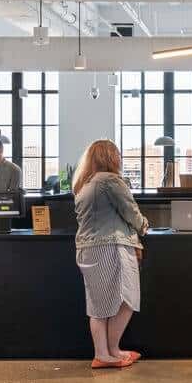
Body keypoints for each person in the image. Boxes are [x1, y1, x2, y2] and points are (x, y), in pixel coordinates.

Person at [72, 139, 146, 369]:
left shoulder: (85, 184)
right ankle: (109, 352)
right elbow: (130, 211)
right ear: (111, 157)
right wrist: (144, 225)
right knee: (127, 299)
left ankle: (104, 353)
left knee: (98, 305)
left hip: (87, 249)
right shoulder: (111, 181)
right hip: (111, 246)